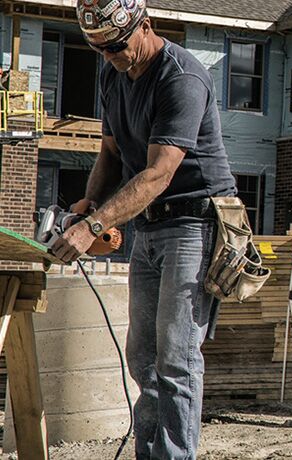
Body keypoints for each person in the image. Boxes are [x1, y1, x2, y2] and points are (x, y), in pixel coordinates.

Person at [52, 0, 237, 457]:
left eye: (116, 45)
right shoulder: (113, 74)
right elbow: (112, 154)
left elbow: (157, 174)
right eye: (99, 49)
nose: (110, 56)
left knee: (177, 357)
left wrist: (94, 224)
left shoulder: (182, 78)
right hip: (149, 229)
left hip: (195, 223)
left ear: (146, 25)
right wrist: (88, 206)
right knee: (143, 358)